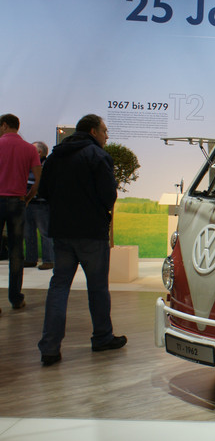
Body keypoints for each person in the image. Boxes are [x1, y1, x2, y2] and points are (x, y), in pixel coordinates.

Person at [37, 114, 126, 366]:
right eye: (105, 131)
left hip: (62, 232)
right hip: (91, 233)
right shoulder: (97, 156)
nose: (107, 136)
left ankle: (50, 347)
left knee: (58, 287)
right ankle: (102, 337)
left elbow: (44, 192)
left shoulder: (55, 156)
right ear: (93, 131)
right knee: (97, 287)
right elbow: (108, 195)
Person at [0, 114, 42, 313]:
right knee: (16, 251)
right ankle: (16, 298)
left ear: (5, 125)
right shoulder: (29, 149)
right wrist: (27, 198)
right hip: (17, 202)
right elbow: (37, 178)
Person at [24, 141, 54, 270]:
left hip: (42, 204)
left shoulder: (47, 165)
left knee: (45, 232)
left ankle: (49, 260)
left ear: (39, 152)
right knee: (28, 232)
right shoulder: (27, 164)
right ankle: (31, 259)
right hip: (28, 202)